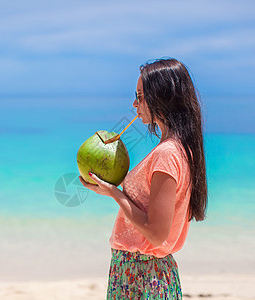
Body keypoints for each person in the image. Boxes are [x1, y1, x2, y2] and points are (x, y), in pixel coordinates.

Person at [79, 58, 208, 299]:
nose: (134, 104)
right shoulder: (179, 149)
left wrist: (114, 193)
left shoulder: (167, 154)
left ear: (161, 98)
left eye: (140, 96)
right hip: (143, 271)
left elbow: (156, 232)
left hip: (142, 274)